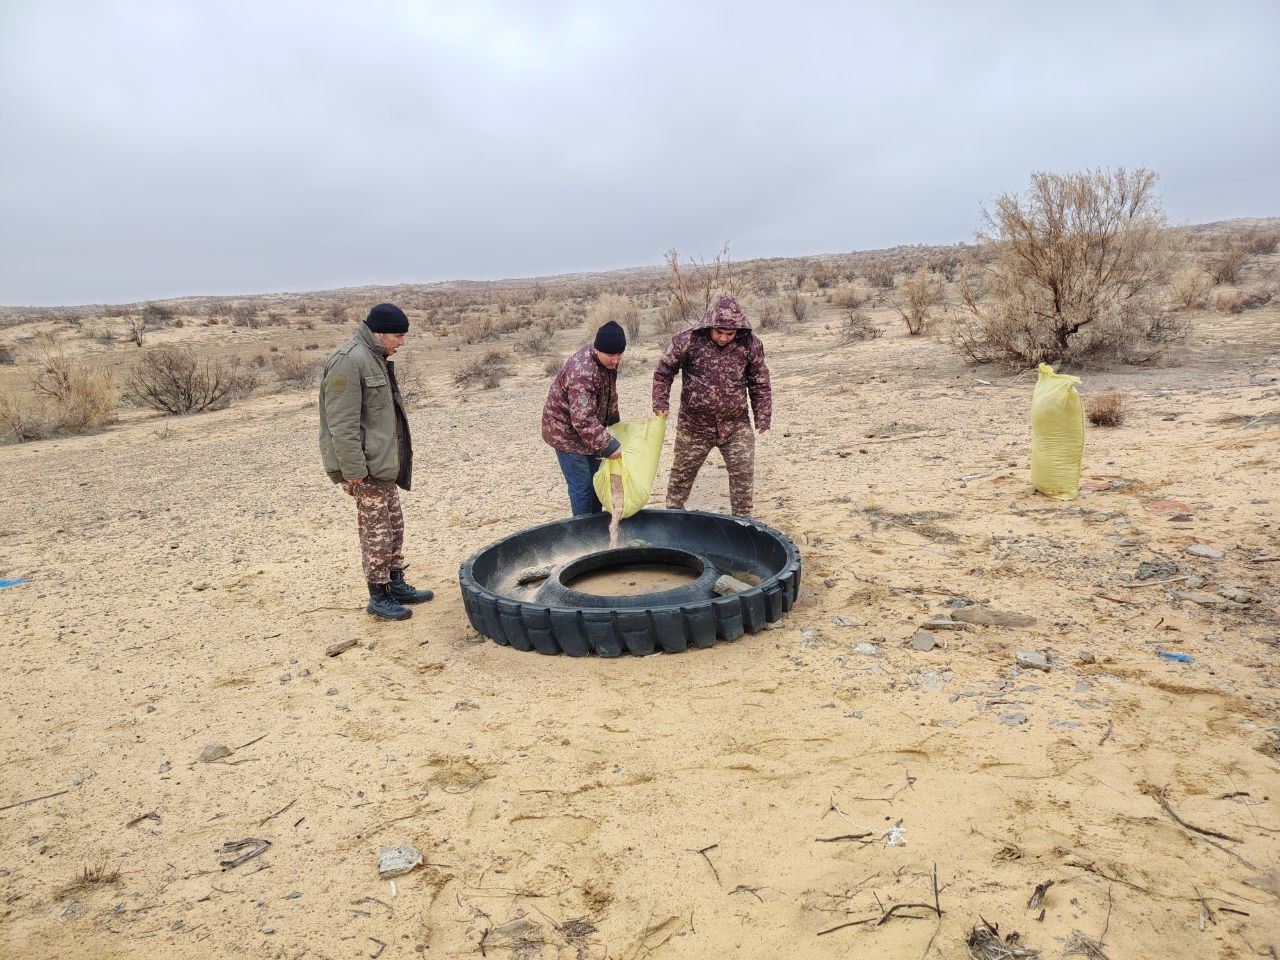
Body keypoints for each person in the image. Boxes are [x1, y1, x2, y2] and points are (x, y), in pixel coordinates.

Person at [318, 302, 434, 621]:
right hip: (365, 469)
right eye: (398, 335)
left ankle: (395, 583)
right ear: (379, 332)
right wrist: (353, 471)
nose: (402, 342)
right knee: (376, 531)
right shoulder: (349, 361)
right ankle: (378, 595)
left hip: (382, 464)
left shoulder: (374, 357)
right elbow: (341, 424)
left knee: (394, 525)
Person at [652, 295, 771, 516]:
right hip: (694, 427)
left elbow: (760, 382)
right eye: (719, 332)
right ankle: (674, 519)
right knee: (681, 478)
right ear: (709, 325)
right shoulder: (686, 341)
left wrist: (762, 416)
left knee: (743, 478)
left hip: (736, 426)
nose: (724, 337)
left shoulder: (750, 344)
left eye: (730, 333)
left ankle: (743, 524)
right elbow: (663, 372)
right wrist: (660, 401)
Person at [541, 321, 626, 515]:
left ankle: (594, 525)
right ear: (597, 350)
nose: (616, 360)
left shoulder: (606, 362)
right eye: (611, 355)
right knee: (582, 487)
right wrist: (609, 445)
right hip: (566, 433)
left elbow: (609, 395)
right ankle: (583, 535)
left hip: (588, 431)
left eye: (619, 354)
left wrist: (614, 424)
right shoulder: (582, 372)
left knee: (596, 481)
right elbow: (582, 420)